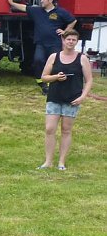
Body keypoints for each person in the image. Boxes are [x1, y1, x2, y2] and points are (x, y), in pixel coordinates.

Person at [37, 29, 93, 171]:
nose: (70, 42)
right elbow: (43, 77)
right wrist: (56, 77)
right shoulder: (54, 57)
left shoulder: (82, 58)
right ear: (63, 40)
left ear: (76, 42)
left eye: (74, 40)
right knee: (49, 129)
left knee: (66, 130)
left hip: (72, 99)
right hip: (54, 97)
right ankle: (48, 161)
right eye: (68, 39)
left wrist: (82, 96)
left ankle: (61, 162)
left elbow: (89, 80)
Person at [7, 0, 76, 87]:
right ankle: (41, 83)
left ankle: (54, 83)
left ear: (51, 0)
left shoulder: (60, 11)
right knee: (38, 61)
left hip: (55, 43)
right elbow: (24, 7)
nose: (41, 1)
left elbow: (73, 21)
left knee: (55, 63)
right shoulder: (37, 11)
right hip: (41, 43)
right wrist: (12, 3)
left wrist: (66, 31)